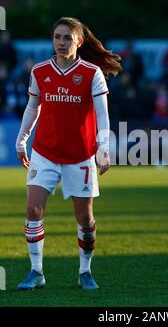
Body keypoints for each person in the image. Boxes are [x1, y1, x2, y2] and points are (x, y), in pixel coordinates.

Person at [15, 17, 122, 290]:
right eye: (57, 37)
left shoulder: (91, 73)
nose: (61, 43)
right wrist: (21, 140)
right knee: (33, 208)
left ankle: (85, 271)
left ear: (79, 41)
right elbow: (32, 107)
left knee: (85, 219)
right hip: (45, 152)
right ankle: (36, 271)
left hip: (80, 156)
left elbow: (102, 115)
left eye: (67, 38)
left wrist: (104, 149)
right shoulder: (40, 72)